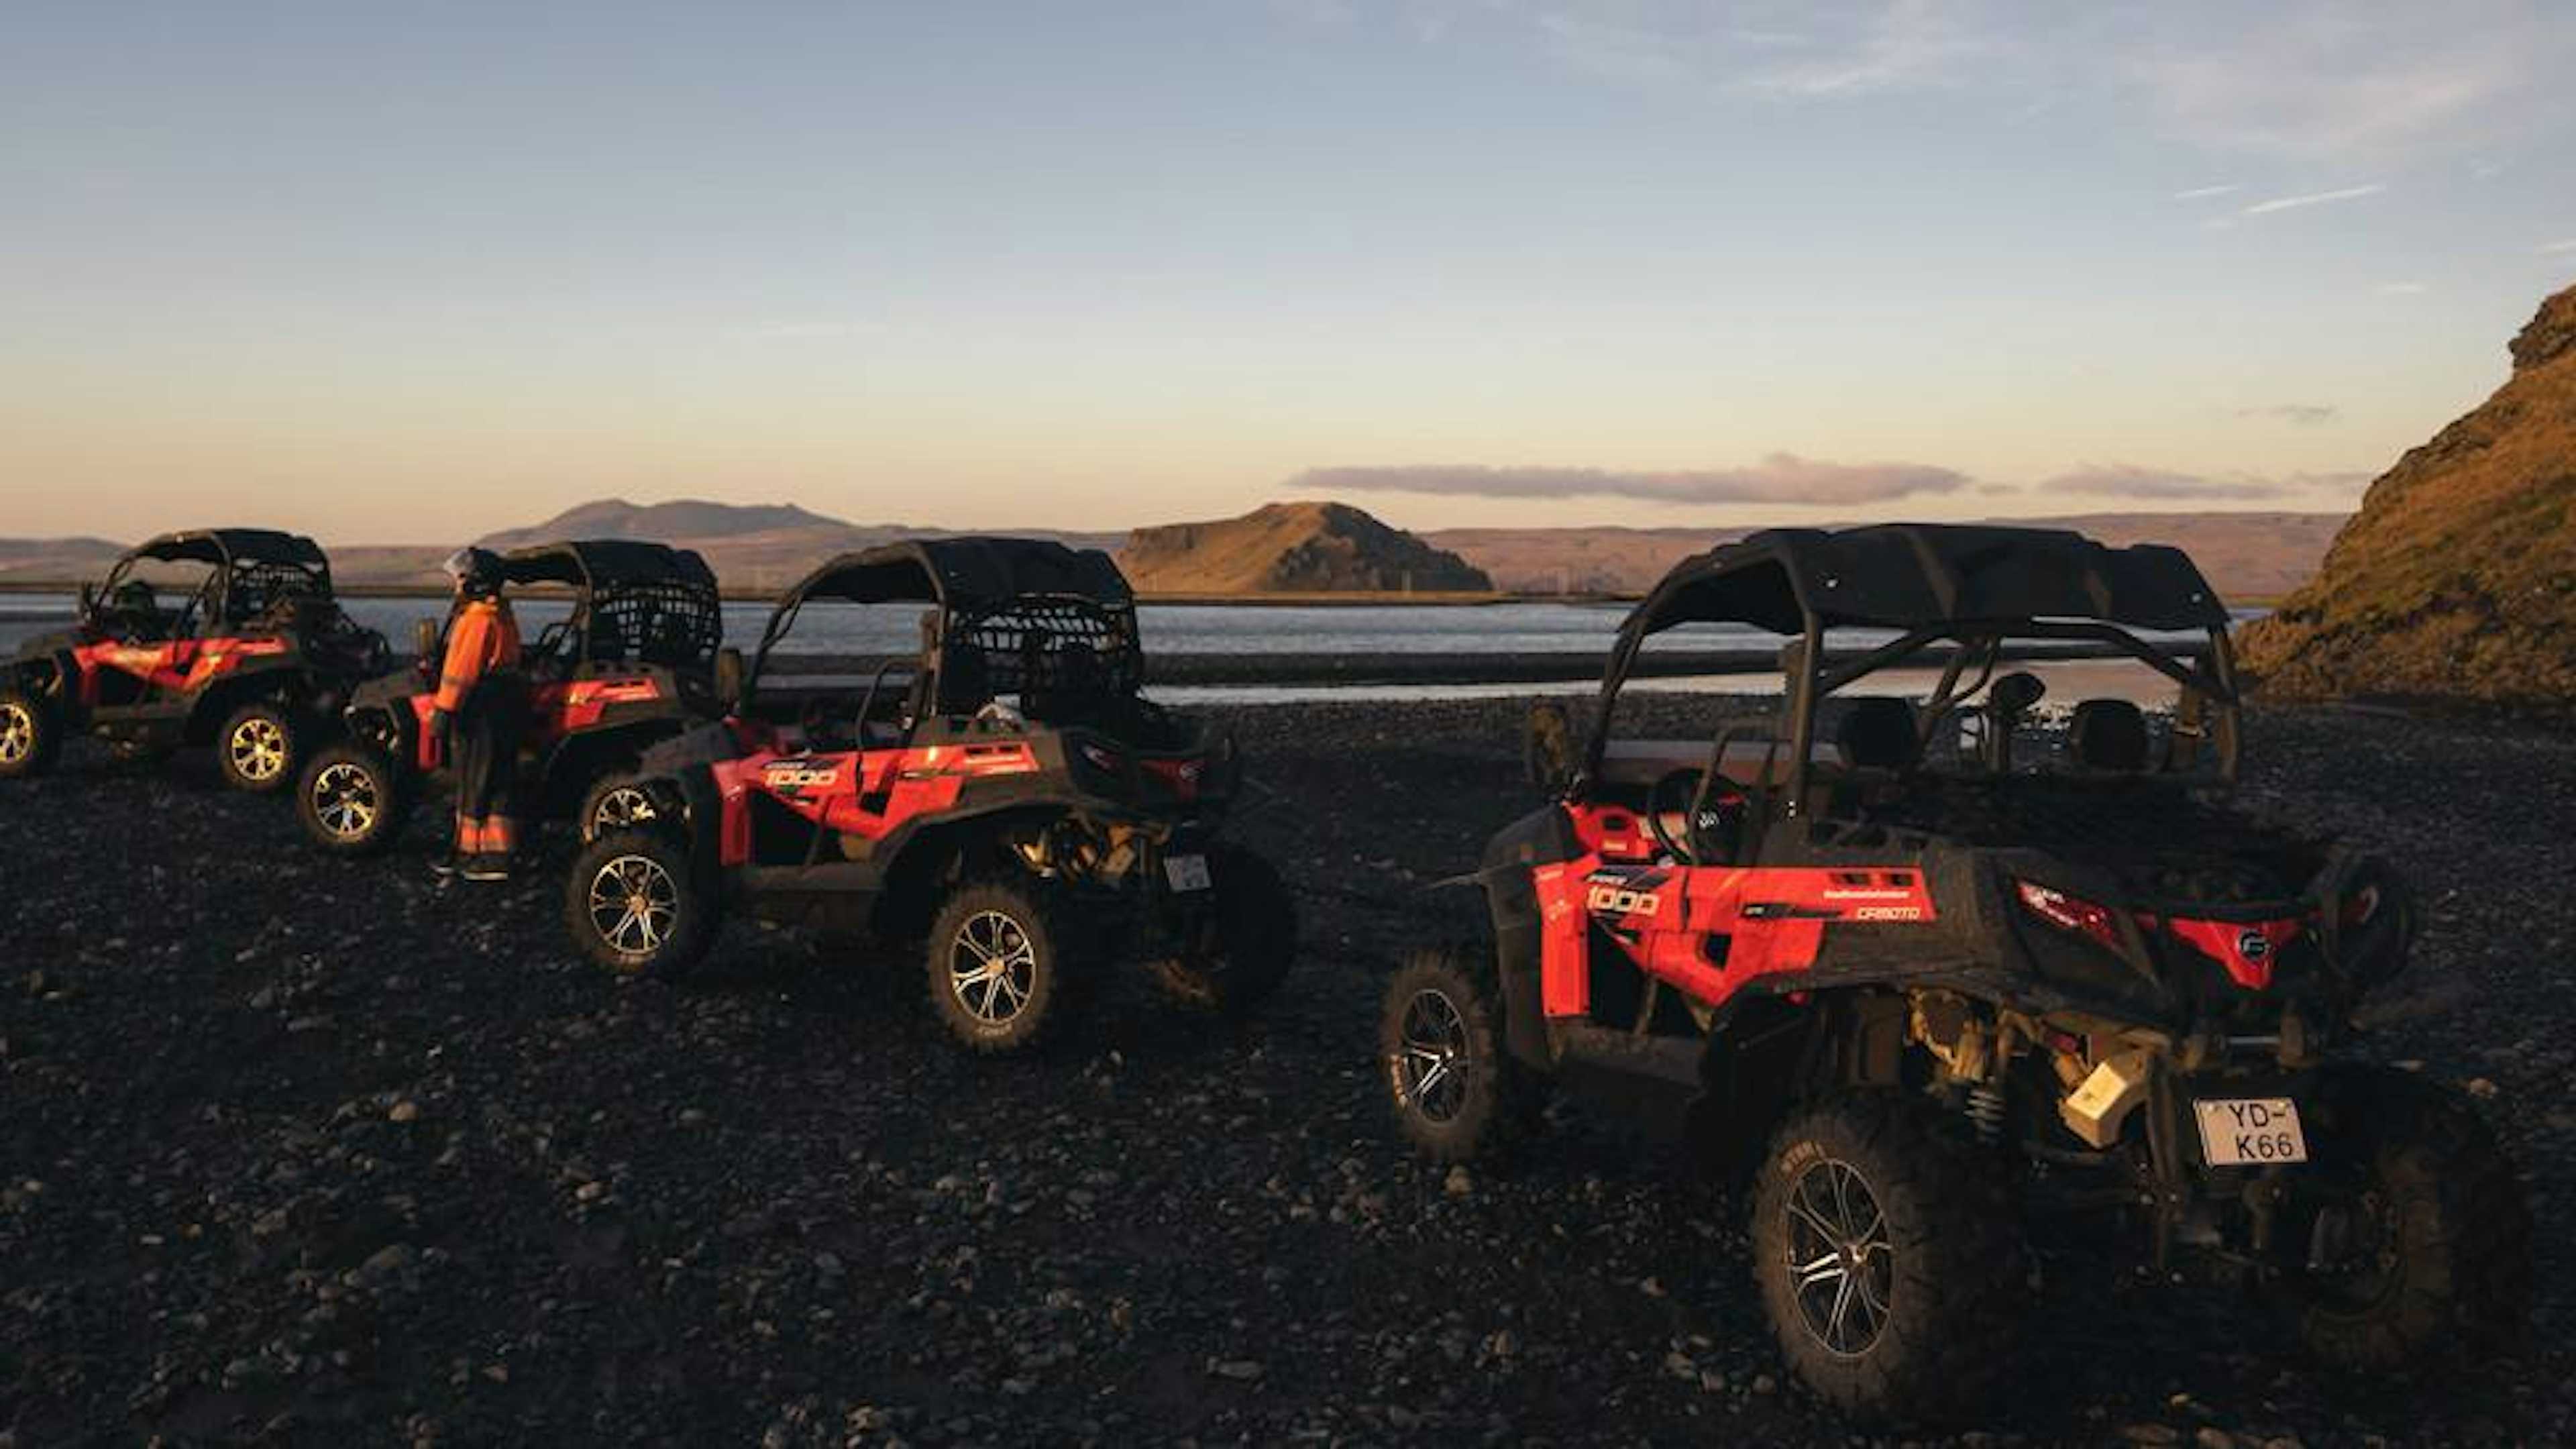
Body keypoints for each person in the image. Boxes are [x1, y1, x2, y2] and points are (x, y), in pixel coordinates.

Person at [429, 547, 525, 882]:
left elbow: (461, 673)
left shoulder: (477, 620)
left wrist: (443, 711)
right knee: (498, 779)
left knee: (476, 779)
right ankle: (497, 854)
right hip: (504, 704)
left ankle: (471, 853)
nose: (456, 586)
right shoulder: (502, 615)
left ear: (475, 583)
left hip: (481, 707)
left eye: (460, 579)